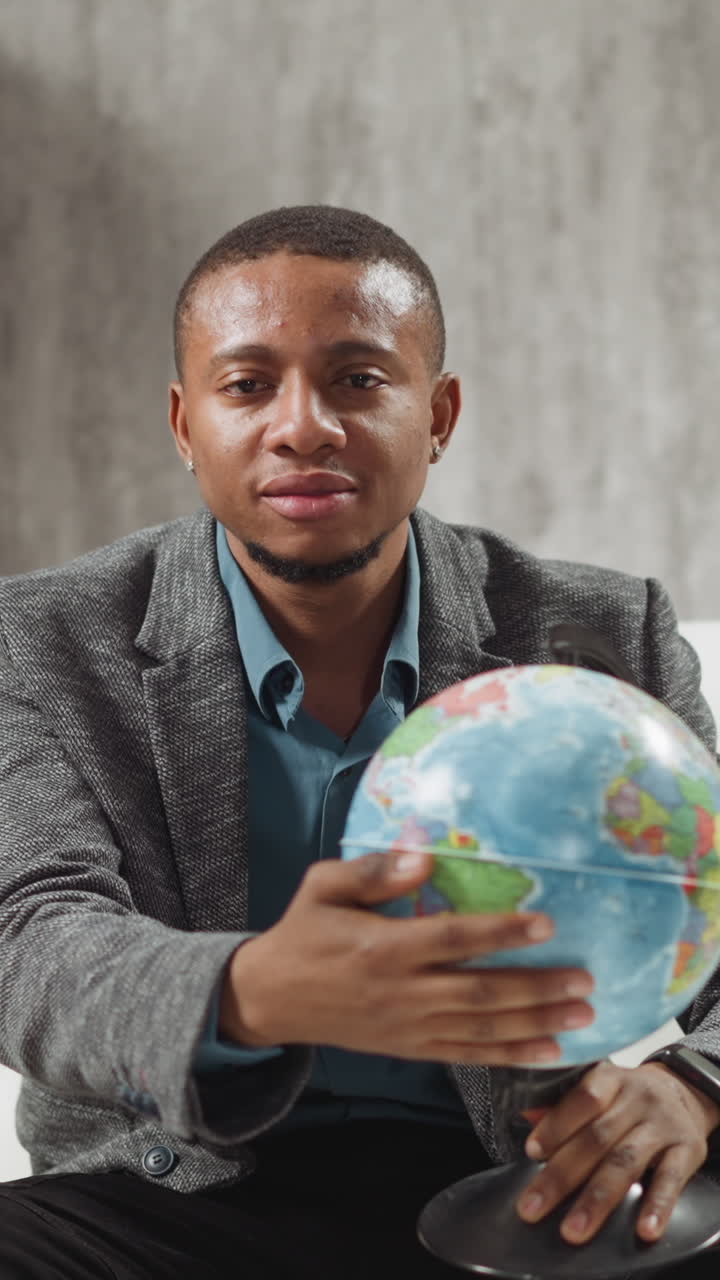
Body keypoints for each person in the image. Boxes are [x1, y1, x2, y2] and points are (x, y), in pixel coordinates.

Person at [0, 204, 718, 1280]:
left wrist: (695, 1084)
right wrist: (254, 987)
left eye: (358, 379)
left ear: (439, 415)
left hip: (510, 1186)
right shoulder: (41, 637)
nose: (304, 427)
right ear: (184, 423)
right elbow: (31, 936)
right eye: (246, 385)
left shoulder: (600, 631)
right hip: (157, 1198)